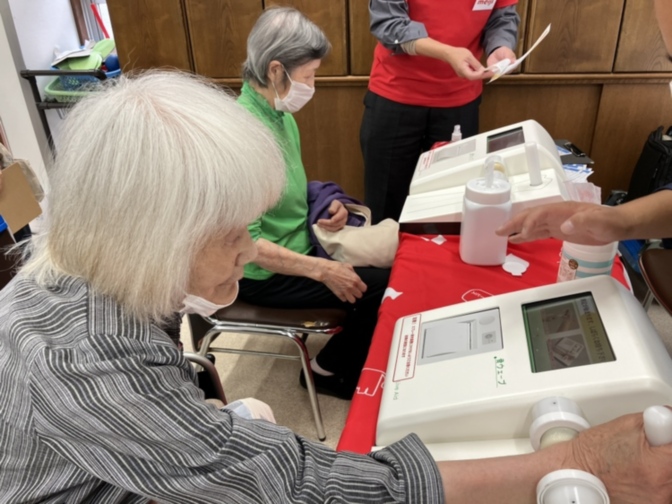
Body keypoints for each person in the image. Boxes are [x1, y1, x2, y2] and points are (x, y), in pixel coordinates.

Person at [3, 69, 672, 504]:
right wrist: (569, 462)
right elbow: (289, 484)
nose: (249, 250)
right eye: (233, 234)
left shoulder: (107, 269)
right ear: (156, 237)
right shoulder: (82, 355)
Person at [235, 7, 390, 400]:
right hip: (261, 275)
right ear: (275, 71)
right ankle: (326, 371)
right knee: (382, 286)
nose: (312, 85)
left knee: (392, 259)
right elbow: (247, 245)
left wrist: (326, 202)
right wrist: (324, 271)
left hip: (300, 242)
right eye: (309, 76)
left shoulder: (278, 115)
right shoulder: (244, 138)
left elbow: (284, 187)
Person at [361, 0, 520, 223]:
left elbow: (501, 18)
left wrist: (500, 46)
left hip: (460, 101)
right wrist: (446, 53)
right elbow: (388, 23)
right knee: (386, 209)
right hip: (395, 95)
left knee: (447, 208)